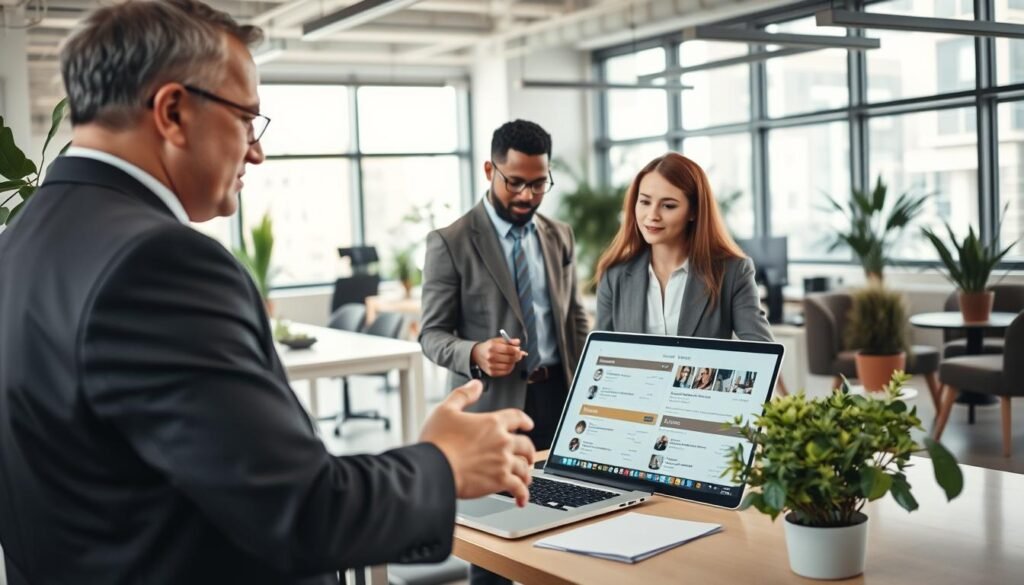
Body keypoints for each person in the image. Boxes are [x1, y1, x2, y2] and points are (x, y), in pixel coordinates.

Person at [0, 2, 535, 583]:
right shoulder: (157, 263)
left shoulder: (20, 244)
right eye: (246, 119)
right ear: (173, 111)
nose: (257, 150)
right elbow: (301, 514)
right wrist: (443, 463)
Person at [419, 119, 589, 585]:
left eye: (539, 184)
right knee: (496, 545)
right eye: (515, 182)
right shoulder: (450, 242)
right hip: (493, 410)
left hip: (559, 398)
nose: (527, 196)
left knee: (570, 522)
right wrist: (474, 352)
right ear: (489, 169)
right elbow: (431, 335)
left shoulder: (559, 236)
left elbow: (573, 316)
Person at [594, 152, 773, 344]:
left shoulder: (732, 272)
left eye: (668, 206)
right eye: (645, 202)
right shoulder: (614, 275)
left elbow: (763, 353)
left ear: (694, 211)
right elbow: (598, 356)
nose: (652, 215)